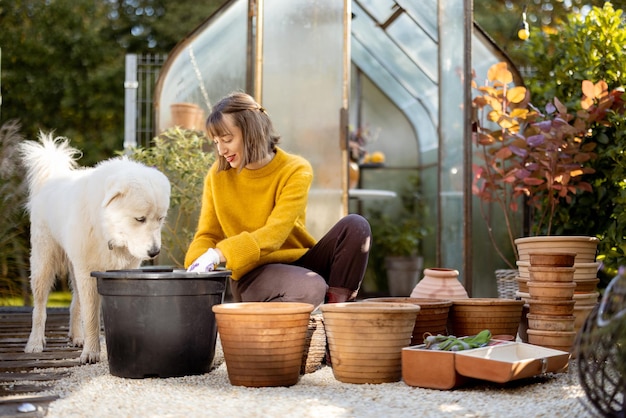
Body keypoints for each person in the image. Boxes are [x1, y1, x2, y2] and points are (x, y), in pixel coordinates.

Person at [185, 92, 371, 308]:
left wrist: (220, 253)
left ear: (251, 132)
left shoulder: (295, 169)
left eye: (227, 139)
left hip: (299, 262)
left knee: (356, 226)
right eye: (216, 142)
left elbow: (275, 233)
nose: (221, 149)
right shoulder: (217, 176)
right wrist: (196, 261)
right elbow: (208, 234)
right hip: (253, 273)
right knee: (311, 287)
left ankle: (335, 312)